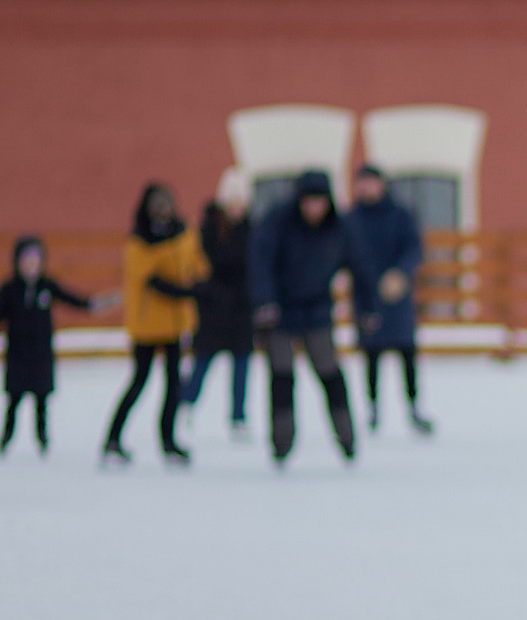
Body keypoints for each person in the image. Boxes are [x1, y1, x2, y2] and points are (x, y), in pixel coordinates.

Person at [249, 169, 359, 465]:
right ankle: (281, 443)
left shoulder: (338, 227)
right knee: (282, 376)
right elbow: (260, 262)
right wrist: (264, 301)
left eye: (320, 202)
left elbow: (359, 265)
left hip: (317, 311)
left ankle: (347, 438)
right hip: (280, 312)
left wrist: (368, 307)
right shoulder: (277, 222)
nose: (314, 208)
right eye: (309, 201)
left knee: (329, 373)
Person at [101, 183, 206, 466]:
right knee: (139, 381)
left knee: (173, 384)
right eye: (157, 206)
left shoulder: (183, 233)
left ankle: (168, 440)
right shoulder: (138, 242)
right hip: (147, 324)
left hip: (174, 323)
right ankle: (113, 438)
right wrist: (190, 292)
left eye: (167, 205)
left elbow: (196, 264)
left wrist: (202, 283)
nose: (163, 211)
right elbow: (152, 281)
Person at [0, 235, 100, 454]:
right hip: (17, 354)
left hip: (41, 353)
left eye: (35, 260)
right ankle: (6, 437)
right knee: (14, 399)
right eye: (26, 260)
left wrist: (89, 305)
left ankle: (42, 438)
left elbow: (69, 298)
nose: (31, 265)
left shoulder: (47, 286)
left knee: (42, 400)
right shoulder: (9, 289)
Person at [346, 164, 433, 436]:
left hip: (397, 297)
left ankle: (414, 406)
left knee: (407, 353)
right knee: (371, 354)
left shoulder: (400, 214)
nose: (366, 188)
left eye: (371, 182)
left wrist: (401, 273)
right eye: (362, 183)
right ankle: (372, 410)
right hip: (366, 295)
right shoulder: (351, 219)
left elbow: (414, 248)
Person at [180, 168, 257, 438]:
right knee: (202, 362)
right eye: (232, 203)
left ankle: (238, 416)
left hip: (242, 308)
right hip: (213, 308)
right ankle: (185, 404)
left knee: (242, 364)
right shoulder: (208, 229)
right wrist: (211, 294)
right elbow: (201, 267)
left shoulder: (252, 229)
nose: (236, 209)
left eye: (240, 203)